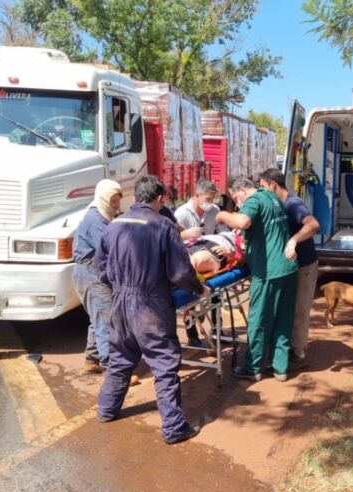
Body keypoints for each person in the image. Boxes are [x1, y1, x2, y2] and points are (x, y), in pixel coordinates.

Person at [95, 175, 206, 444]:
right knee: (164, 363)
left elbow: (100, 268)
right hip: (150, 305)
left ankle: (107, 410)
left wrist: (121, 285)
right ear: (159, 199)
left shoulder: (114, 225)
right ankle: (174, 428)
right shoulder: (163, 226)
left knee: (121, 357)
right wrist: (198, 288)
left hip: (120, 304)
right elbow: (180, 272)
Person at [216, 177, 297, 382]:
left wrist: (224, 214)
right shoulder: (273, 198)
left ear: (243, 190)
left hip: (268, 270)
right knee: (282, 319)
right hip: (287, 269)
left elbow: (243, 221)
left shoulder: (254, 200)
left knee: (259, 319)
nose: (237, 203)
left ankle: (252, 368)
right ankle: (279, 367)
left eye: (236, 198)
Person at [72, 179, 139, 386]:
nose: (117, 203)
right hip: (90, 275)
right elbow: (111, 248)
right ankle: (114, 371)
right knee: (107, 321)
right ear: (104, 198)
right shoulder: (95, 220)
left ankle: (92, 360)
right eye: (114, 199)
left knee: (98, 318)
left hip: (93, 274)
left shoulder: (103, 216)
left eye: (118, 199)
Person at [258, 168, 320, 371]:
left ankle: (299, 354)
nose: (262, 192)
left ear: (273, 185)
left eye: (263, 187)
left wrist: (293, 241)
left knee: (300, 310)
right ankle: (286, 350)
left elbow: (313, 224)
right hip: (290, 267)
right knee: (288, 309)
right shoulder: (276, 205)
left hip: (304, 265)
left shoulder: (293, 204)